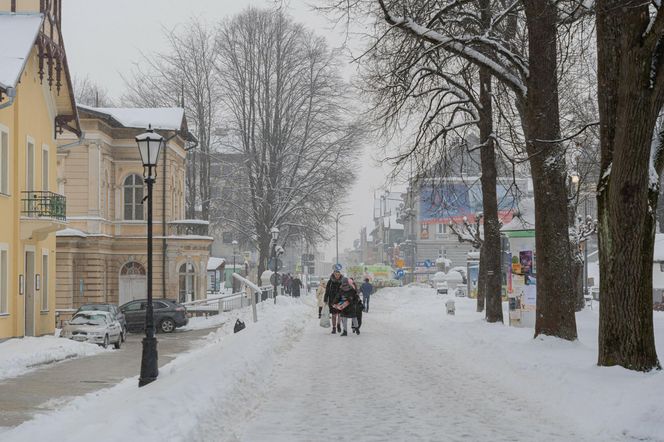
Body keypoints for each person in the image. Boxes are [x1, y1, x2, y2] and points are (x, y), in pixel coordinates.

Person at [324, 268, 343, 334]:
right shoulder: (330, 282)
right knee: (334, 315)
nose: (337, 276)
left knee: (340, 314)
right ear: (334, 274)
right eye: (336, 274)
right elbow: (327, 291)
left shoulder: (342, 281)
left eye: (338, 274)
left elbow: (345, 290)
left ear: (340, 274)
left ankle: (338, 325)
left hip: (340, 300)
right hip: (332, 300)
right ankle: (334, 328)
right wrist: (325, 299)